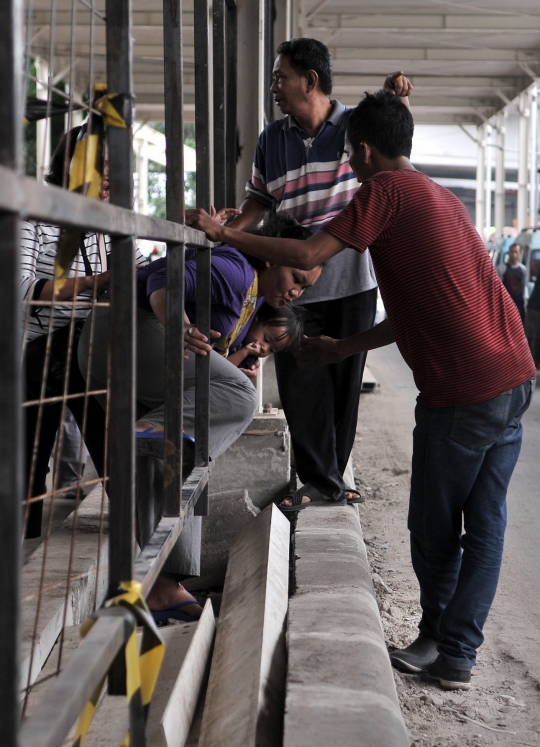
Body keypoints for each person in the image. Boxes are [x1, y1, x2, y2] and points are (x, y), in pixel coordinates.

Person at [186, 90, 535, 690]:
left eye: (349, 155)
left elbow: (306, 252)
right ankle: (457, 654)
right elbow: (422, 306)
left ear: (364, 152)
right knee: (486, 523)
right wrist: (344, 348)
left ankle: (439, 641)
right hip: (514, 375)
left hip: (463, 389)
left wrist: (226, 232)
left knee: (432, 525)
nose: (348, 165)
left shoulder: (383, 193)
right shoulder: (441, 200)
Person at [78, 215, 322, 619]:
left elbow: (216, 352)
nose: (296, 291)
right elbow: (164, 281)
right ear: (270, 254)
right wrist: (180, 325)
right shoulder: (235, 269)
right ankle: (144, 428)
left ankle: (162, 586)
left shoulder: (256, 298)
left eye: (305, 287)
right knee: (238, 398)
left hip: (135, 354)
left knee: (180, 458)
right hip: (124, 332)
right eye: (295, 276)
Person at [220, 37, 412, 510]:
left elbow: (391, 159)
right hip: (293, 287)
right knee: (301, 382)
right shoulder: (272, 139)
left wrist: (400, 103)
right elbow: (259, 201)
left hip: (352, 282)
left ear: (310, 80)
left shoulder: (353, 127)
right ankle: (318, 479)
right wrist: (226, 230)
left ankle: (331, 479)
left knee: (344, 381)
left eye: (280, 77)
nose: (274, 88)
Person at [21, 126, 148, 537]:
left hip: (92, 346)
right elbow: (20, 289)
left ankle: (142, 530)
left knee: (112, 438)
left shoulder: (111, 221)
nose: (112, 175)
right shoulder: (35, 212)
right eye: (103, 164)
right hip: (42, 349)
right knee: (29, 465)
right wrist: (93, 284)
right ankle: (22, 549)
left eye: (117, 166)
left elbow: (143, 273)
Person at [497, 243, 527, 322]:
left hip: (518, 303)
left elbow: (523, 286)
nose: (514, 254)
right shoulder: (501, 269)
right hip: (505, 304)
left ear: (520, 254)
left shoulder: (523, 270)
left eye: (516, 252)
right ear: (509, 253)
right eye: (512, 252)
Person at [525, 274, 540, 366]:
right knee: (535, 335)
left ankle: (534, 359)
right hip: (536, 308)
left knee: (533, 334)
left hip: (534, 306)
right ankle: (534, 359)